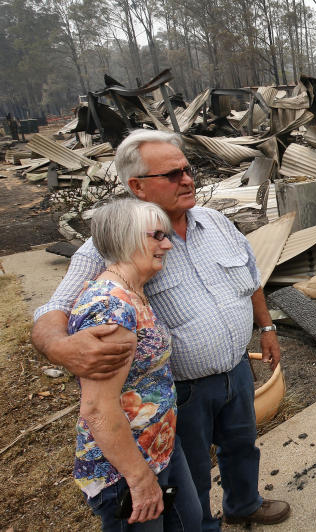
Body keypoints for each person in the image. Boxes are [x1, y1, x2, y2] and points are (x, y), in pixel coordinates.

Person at [33, 129, 290, 530]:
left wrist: (267, 327)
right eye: (172, 175)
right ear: (136, 186)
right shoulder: (114, 243)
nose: (187, 180)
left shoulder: (217, 222)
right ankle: (203, 525)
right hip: (182, 389)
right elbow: (55, 308)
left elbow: (252, 278)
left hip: (237, 369)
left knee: (242, 446)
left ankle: (244, 504)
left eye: (187, 170)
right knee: (191, 478)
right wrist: (58, 347)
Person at [70, 198, 201, 531]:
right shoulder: (110, 308)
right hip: (125, 471)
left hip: (159, 447)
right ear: (126, 237)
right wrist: (139, 478)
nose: (167, 244)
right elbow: (98, 408)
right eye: (157, 235)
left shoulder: (134, 291)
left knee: (190, 521)